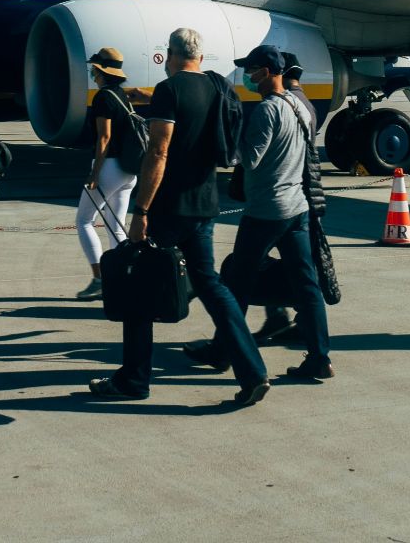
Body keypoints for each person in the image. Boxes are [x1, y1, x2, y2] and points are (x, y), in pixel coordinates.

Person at [88, 27, 270, 406]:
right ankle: (252, 370)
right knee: (213, 288)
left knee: (138, 290)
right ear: (199, 57)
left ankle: (134, 379)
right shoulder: (217, 88)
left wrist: (141, 209)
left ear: (170, 55)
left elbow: (159, 151)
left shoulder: (170, 89)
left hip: (169, 209)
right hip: (205, 205)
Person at [213, 44, 332, 381]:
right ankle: (319, 357)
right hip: (297, 207)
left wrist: (229, 129)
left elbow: (249, 159)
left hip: (267, 210)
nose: (247, 76)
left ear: (265, 71)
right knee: (307, 285)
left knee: (236, 281)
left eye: (250, 71)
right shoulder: (301, 106)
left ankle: (223, 351)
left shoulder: (267, 110)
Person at [75, 47, 139, 300]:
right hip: (128, 170)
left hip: (109, 167)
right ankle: (123, 278)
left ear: (100, 71)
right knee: (116, 226)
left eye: (94, 68)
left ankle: (99, 278)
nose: (92, 72)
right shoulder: (122, 94)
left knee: (83, 221)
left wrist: (95, 173)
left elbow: (104, 138)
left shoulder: (102, 98)